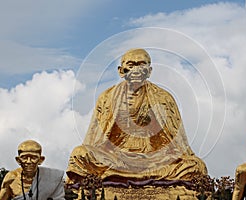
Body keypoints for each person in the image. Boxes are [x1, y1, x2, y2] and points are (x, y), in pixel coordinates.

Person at [66, 48, 207, 184]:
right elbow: (94, 138)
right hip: (116, 158)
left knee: (195, 166)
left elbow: (176, 142)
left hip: (153, 159)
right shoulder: (106, 98)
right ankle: (124, 176)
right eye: (131, 65)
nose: (136, 70)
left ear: (149, 71)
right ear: (121, 71)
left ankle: (120, 177)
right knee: (80, 154)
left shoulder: (164, 98)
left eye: (141, 65)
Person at [0, 140, 65, 200]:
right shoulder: (11, 177)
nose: (28, 161)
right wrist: (5, 188)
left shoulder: (53, 178)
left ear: (40, 160)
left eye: (34, 157)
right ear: (18, 160)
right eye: (24, 158)